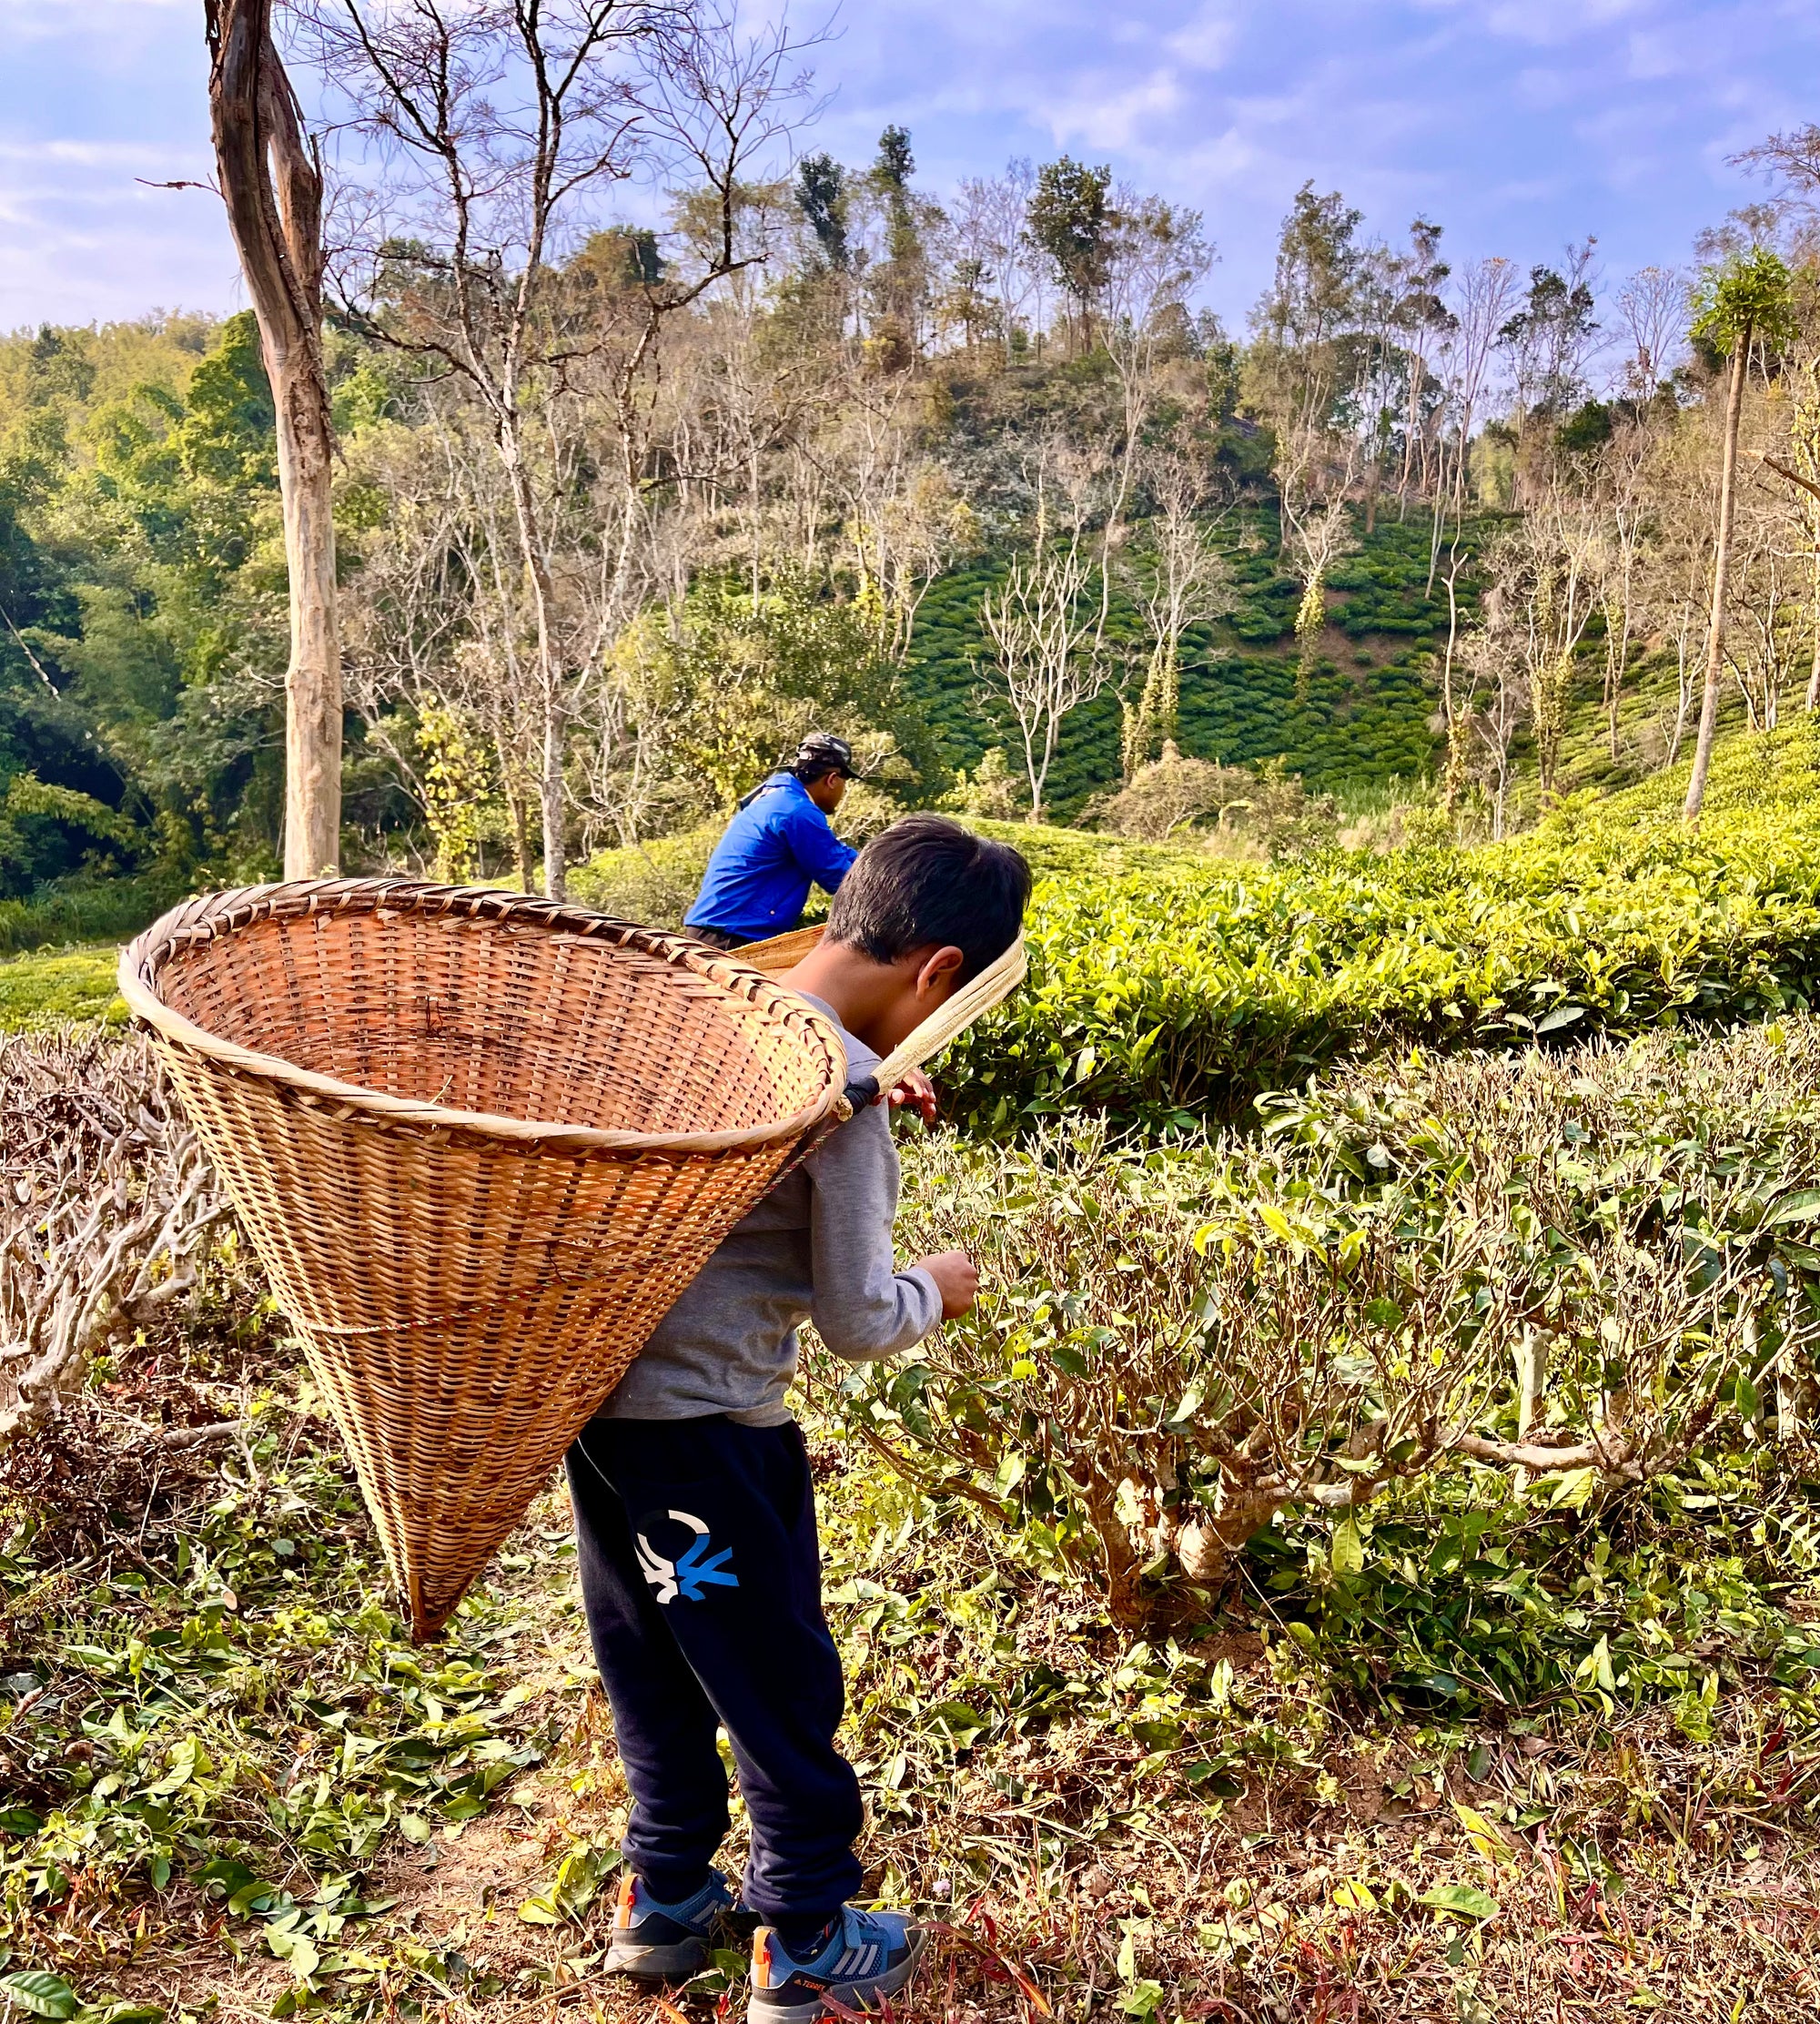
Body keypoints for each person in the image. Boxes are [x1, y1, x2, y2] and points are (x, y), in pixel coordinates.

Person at [567, 815, 1031, 2022]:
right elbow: (862, 1320)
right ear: (938, 973)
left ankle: (663, 1902)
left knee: (652, 1664)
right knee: (775, 1679)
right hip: (715, 1435)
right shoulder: (844, 1099)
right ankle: (808, 1938)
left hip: (599, 1413)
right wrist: (943, 1283)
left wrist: (870, 1081)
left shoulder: (715, 1011)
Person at [685, 734, 862, 950]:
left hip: (711, 931)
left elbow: (835, 851)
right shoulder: (797, 812)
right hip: (731, 938)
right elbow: (842, 877)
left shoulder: (777, 798)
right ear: (832, 779)